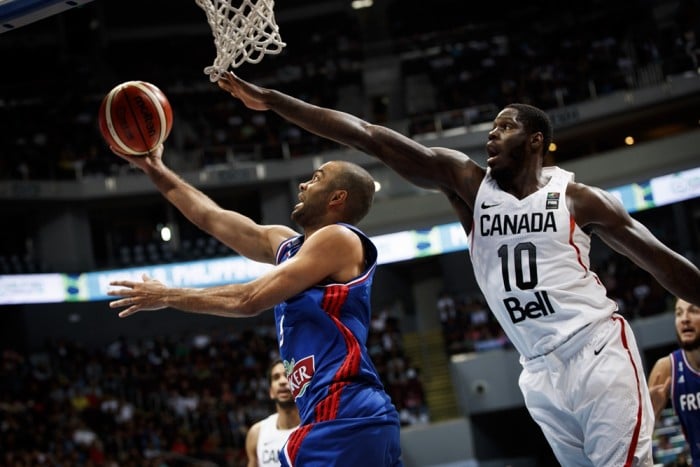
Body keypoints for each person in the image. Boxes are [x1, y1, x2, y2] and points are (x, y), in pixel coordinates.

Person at [216, 71, 700, 466]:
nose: (492, 133)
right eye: (491, 126)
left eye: (505, 127)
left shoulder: (578, 199)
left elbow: (662, 263)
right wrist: (274, 100)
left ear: (536, 141)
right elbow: (370, 137)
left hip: (594, 348)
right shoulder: (469, 186)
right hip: (537, 369)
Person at [107, 144, 403, 466]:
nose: (303, 184)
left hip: (345, 412)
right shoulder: (290, 247)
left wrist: (166, 296)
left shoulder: (340, 238)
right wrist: (155, 168)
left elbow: (247, 300)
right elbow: (212, 218)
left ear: (337, 198)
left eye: (316, 178)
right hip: (345, 417)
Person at [648, 298, 700, 466]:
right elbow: (639, 440)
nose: (684, 318)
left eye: (693, 311)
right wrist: (650, 415)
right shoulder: (666, 368)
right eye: (678, 313)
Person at [246, 360, 300, 467]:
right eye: (276, 377)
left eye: (287, 375)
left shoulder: (313, 429)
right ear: (271, 392)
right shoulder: (256, 433)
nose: (282, 381)